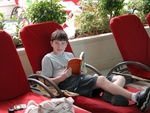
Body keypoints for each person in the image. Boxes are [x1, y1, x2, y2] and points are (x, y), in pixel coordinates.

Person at [41, 29, 150, 112]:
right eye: (57, 43)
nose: (60, 46)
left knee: (120, 77)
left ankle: (109, 94)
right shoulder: (48, 58)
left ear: (66, 44)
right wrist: (62, 77)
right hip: (68, 83)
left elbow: (78, 69)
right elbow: (46, 81)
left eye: (63, 43)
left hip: (80, 79)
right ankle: (137, 98)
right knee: (102, 79)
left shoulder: (69, 55)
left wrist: (82, 70)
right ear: (51, 43)